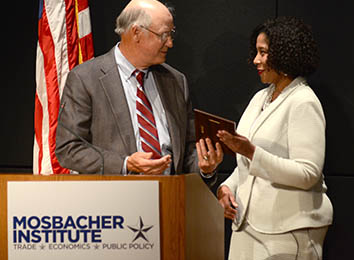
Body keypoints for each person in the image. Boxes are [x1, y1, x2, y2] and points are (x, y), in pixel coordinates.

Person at [55, 0, 223, 179]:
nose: (170, 43)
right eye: (164, 35)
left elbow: (188, 151)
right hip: (113, 198)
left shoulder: (176, 81)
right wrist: (125, 164)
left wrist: (205, 167)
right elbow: (69, 148)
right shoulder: (86, 78)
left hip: (171, 198)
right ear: (136, 33)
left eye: (171, 34)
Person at [216, 16, 333, 259]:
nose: (256, 60)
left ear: (285, 54)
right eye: (256, 52)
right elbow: (247, 164)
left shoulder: (304, 101)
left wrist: (250, 151)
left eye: (263, 52)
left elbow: (308, 173)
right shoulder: (260, 98)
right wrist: (227, 187)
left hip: (287, 230)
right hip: (247, 225)